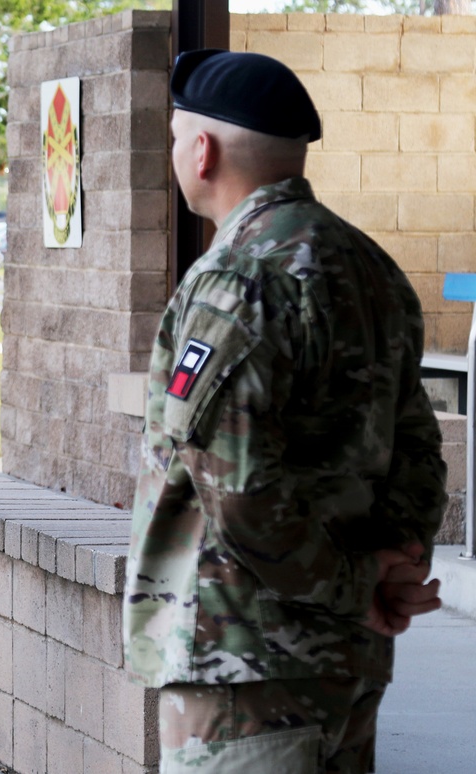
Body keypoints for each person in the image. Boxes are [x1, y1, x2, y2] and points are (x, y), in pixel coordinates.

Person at [123, 51, 448, 774]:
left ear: (200, 151)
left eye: (177, 136)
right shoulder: (371, 268)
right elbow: (419, 450)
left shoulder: (237, 275)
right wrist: (390, 567)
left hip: (246, 670)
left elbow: (235, 489)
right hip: (347, 665)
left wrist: (355, 584)